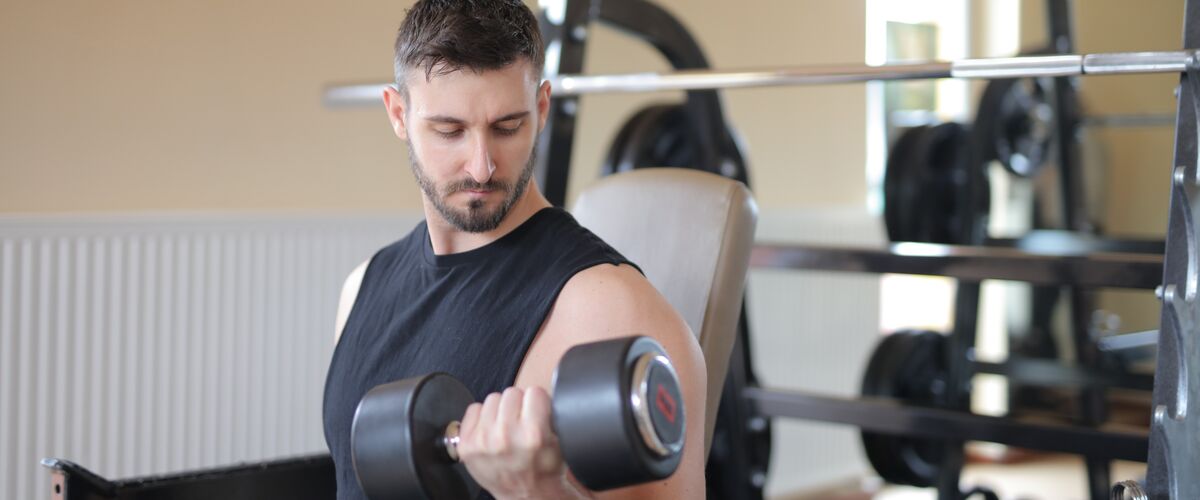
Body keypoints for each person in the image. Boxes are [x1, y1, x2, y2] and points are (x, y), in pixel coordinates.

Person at [321, 1, 706, 499]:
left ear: (542, 108)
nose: (481, 166)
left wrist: (538, 490)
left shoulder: (611, 312)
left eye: (507, 127)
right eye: (449, 131)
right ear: (399, 114)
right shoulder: (363, 286)